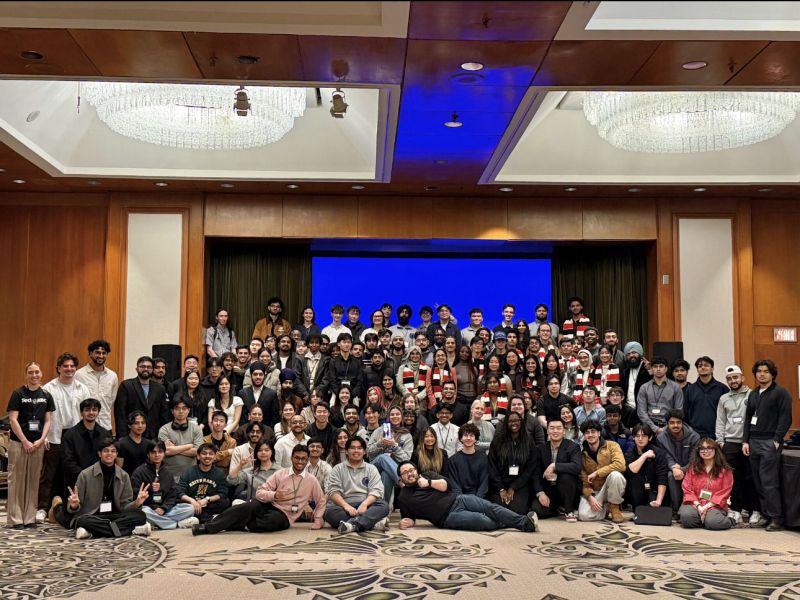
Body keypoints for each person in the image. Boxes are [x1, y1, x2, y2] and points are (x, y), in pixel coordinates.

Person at [194, 444, 326, 536]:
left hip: (285, 515)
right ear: (291, 458)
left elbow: (321, 500)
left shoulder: (311, 480)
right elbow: (260, 492)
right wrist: (274, 495)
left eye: (303, 459)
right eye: (297, 458)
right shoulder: (281, 473)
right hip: (269, 503)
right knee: (246, 507)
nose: (300, 461)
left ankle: (236, 523)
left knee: (270, 522)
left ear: (307, 460)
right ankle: (207, 527)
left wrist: (318, 519)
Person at [396, 461, 537, 532]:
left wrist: (429, 483)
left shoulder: (428, 475)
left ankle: (525, 523)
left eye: (411, 470)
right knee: (484, 521)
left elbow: (447, 485)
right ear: (401, 478)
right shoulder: (404, 497)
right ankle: (511, 520)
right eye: (405, 473)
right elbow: (408, 517)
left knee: (490, 507)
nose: (409, 474)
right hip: (447, 518)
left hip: (458, 499)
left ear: (416, 470)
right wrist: (408, 522)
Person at [63, 437, 149, 539]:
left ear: (117, 454)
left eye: (113, 451)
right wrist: (74, 505)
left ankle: (92, 532)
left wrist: (137, 503)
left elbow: (125, 506)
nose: (109, 454)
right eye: (106, 451)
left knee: (141, 516)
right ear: (99, 454)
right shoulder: (85, 474)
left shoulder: (124, 475)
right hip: (93, 515)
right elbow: (74, 507)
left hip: (115, 515)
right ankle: (131, 529)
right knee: (82, 520)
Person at [37, 352, 89, 522]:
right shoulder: (48, 389)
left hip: (76, 436)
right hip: (53, 435)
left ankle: (75, 504)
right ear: (58, 368)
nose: (69, 369)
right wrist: (42, 436)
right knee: (49, 473)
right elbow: (40, 416)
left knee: (74, 472)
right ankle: (43, 508)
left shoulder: (83, 388)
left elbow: (88, 413)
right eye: (65, 366)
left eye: (72, 366)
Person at [743, 359, 793, 532]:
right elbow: (748, 419)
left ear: (772, 374)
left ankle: (777, 518)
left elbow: (786, 418)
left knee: (769, 481)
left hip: (770, 441)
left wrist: (777, 439)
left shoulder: (781, 393)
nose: (762, 374)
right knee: (758, 481)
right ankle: (767, 514)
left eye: (765, 371)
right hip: (753, 441)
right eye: (759, 371)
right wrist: (745, 440)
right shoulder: (754, 394)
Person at [6, 362, 54, 528]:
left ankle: (29, 517)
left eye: (37, 372)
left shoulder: (46, 395)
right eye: (31, 372)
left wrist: (41, 440)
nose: (34, 375)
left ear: (41, 374)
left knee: (34, 481)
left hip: (37, 444)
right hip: (18, 442)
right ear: (26, 375)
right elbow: (12, 419)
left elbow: (48, 420)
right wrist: (25, 441)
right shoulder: (18, 394)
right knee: (17, 480)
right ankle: (16, 518)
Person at [715, 364, 760, 526]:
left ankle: (755, 510)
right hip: (730, 444)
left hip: (748, 443)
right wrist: (720, 441)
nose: (732, 381)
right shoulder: (724, 398)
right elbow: (720, 421)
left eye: (735, 377)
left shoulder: (753, 395)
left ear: (742, 378)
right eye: (729, 379)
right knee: (734, 479)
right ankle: (737, 510)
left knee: (751, 477)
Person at [324, 436, 390, 533]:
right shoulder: (338, 469)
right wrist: (347, 506)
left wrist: (364, 504)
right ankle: (372, 524)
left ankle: (352, 525)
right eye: (352, 448)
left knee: (383, 506)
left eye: (359, 448)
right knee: (329, 513)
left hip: (367, 505)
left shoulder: (371, 468)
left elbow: (377, 491)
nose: (356, 451)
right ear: (346, 451)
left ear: (364, 452)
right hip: (344, 506)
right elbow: (333, 492)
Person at [131, 440, 197, 530]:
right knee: (143, 512)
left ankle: (158, 523)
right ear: (148, 454)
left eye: (160, 452)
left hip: (166, 510)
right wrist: (150, 489)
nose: (157, 455)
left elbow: (172, 495)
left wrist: (164, 508)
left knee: (190, 508)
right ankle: (174, 524)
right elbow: (135, 497)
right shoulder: (139, 472)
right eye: (153, 452)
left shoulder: (168, 472)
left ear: (164, 453)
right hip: (149, 509)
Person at [531, 419, 582, 522]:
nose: (555, 431)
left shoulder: (573, 446)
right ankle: (557, 508)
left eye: (559, 428)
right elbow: (535, 473)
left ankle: (568, 510)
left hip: (567, 489)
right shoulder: (540, 449)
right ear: (547, 431)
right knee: (538, 510)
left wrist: (554, 466)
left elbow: (577, 467)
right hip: (549, 489)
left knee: (566, 477)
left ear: (564, 431)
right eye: (552, 428)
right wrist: (540, 493)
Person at [679, 439, 734, 530]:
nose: (705, 451)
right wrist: (699, 506)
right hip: (694, 503)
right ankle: (704, 520)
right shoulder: (693, 467)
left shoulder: (725, 470)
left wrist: (707, 506)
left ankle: (730, 520)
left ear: (715, 450)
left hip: (715, 505)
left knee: (713, 522)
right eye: (702, 449)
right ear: (698, 451)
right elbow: (687, 489)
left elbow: (724, 492)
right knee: (687, 518)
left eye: (709, 448)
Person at [578, 419, 626, 523]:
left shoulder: (612, 445)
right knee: (583, 516)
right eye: (587, 432)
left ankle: (614, 508)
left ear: (599, 433)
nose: (590, 435)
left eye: (593, 432)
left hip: (612, 487)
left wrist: (597, 473)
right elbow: (584, 480)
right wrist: (590, 497)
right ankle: (605, 508)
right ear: (584, 436)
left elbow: (621, 465)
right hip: (596, 491)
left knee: (615, 475)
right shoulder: (582, 454)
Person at [488, 412, 536, 515]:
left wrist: (513, 487)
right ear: (506, 423)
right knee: (500, 509)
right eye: (510, 421)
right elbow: (492, 466)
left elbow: (530, 469)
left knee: (518, 510)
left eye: (517, 420)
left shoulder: (529, 441)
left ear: (521, 422)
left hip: (520, 484)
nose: (514, 423)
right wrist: (501, 488)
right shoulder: (498, 440)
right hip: (499, 483)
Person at [656, 408, 700, 519]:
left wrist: (683, 469)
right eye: (672, 423)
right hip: (673, 469)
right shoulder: (661, 437)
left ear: (682, 423)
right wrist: (673, 467)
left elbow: (695, 459)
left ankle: (687, 507)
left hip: (691, 468)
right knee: (671, 476)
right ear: (667, 424)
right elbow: (665, 455)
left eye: (678, 422)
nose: (675, 425)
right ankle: (676, 509)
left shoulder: (694, 436)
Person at [367, 406, 413, 505]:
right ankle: (403, 482)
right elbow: (368, 452)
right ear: (388, 416)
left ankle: (383, 508)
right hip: (375, 466)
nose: (394, 416)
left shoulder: (407, 435)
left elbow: (406, 459)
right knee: (384, 457)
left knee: (386, 475)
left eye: (397, 414)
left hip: (392, 469)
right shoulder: (380, 430)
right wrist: (380, 443)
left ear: (401, 416)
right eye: (392, 414)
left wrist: (394, 445)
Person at [114, 356, 168, 439]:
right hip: (130, 435)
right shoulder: (126, 385)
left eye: (149, 367)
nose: (146, 369)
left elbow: (163, 414)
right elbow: (120, 413)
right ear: (137, 369)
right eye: (142, 366)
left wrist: (163, 436)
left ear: (153, 369)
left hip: (153, 435)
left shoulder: (160, 388)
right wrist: (122, 437)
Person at [176, 443, 231, 523]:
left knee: (225, 501)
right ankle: (211, 519)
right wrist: (193, 501)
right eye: (204, 453)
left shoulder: (219, 473)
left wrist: (207, 500)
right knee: (178, 502)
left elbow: (223, 493)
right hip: (192, 504)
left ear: (215, 456)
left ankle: (198, 518)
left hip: (208, 504)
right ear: (198, 456)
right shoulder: (188, 472)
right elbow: (180, 492)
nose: (207, 456)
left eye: (211, 454)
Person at [74, 339, 119, 432]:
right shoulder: (79, 375)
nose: (101, 356)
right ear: (90, 354)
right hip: (84, 426)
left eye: (104, 353)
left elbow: (111, 401)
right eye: (97, 352)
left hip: (105, 426)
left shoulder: (113, 376)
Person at [624, 423, 668, 511]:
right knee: (634, 478)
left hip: (653, 489)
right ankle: (635, 508)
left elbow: (662, 478)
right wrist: (644, 456)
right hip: (636, 490)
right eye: (637, 436)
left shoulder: (658, 453)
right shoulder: (630, 452)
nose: (640, 439)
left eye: (643, 436)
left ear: (650, 437)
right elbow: (630, 471)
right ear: (633, 437)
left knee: (652, 507)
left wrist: (658, 501)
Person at [158, 396, 204, 478]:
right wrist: (189, 446)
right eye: (177, 408)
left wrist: (174, 448)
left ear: (189, 410)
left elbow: (197, 452)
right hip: (169, 474)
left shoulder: (196, 429)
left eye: (184, 408)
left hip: (191, 474)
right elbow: (166, 451)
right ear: (172, 411)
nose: (181, 411)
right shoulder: (164, 429)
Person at [684, 356, 728, 438]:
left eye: (706, 365)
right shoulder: (690, 389)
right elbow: (686, 413)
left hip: (717, 434)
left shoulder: (722, 389)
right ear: (697, 369)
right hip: (695, 435)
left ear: (712, 369)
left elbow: (728, 413)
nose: (703, 367)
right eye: (700, 366)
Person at [636, 356, 683, 434]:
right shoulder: (644, 387)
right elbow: (641, 412)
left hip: (669, 427)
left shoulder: (675, 387)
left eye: (661, 366)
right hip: (648, 428)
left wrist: (666, 428)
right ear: (651, 369)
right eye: (655, 366)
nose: (658, 369)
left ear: (666, 369)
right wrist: (655, 429)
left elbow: (678, 411)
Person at [446, 423, 489, 498]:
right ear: (461, 438)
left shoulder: (483, 458)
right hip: (461, 499)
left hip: (480, 498)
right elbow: (455, 485)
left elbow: (484, 483)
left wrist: (478, 499)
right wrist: (463, 500)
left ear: (476, 439)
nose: (468, 438)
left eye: (471, 435)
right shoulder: (453, 460)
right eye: (465, 435)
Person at [117, 411, 151, 477]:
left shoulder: (149, 443)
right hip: (127, 481)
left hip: (145, 481)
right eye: (136, 423)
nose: (140, 426)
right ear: (129, 425)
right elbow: (118, 469)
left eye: (143, 423)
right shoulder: (122, 444)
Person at [620, 342, 652, 410]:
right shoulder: (625, 372)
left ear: (640, 354)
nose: (631, 355)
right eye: (628, 354)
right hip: (627, 408)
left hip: (644, 408)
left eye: (634, 352)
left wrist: (650, 370)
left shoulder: (647, 369)